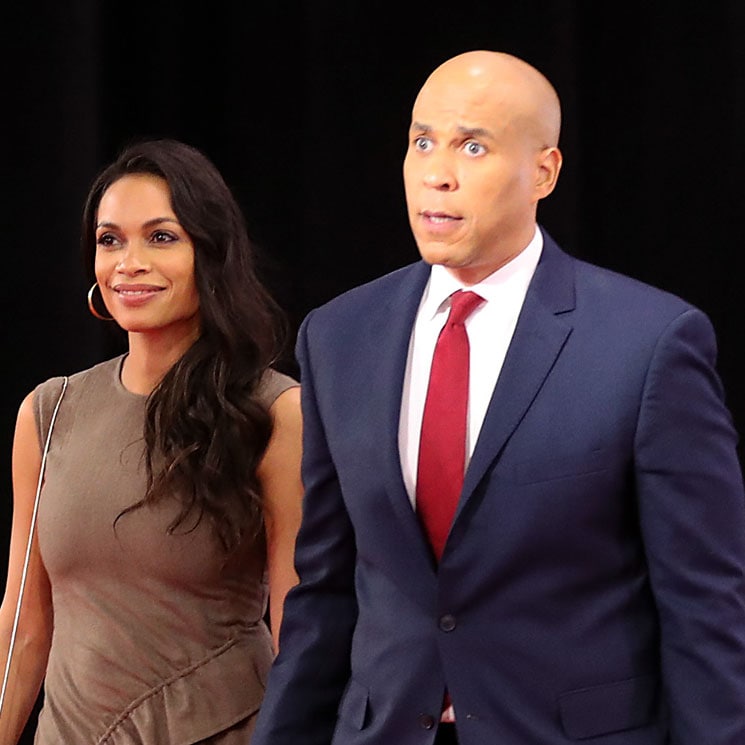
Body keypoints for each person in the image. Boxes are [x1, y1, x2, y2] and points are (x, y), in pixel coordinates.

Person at [251, 50, 745, 745]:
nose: (436, 171)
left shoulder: (650, 343)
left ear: (543, 170)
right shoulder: (337, 336)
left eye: (472, 145)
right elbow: (325, 593)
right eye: (422, 141)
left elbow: (703, 607)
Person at [0, 138, 303, 743]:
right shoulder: (48, 411)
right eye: (110, 240)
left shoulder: (274, 412)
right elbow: (24, 623)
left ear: (209, 255)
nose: (127, 262)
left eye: (161, 238)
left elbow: (298, 622)